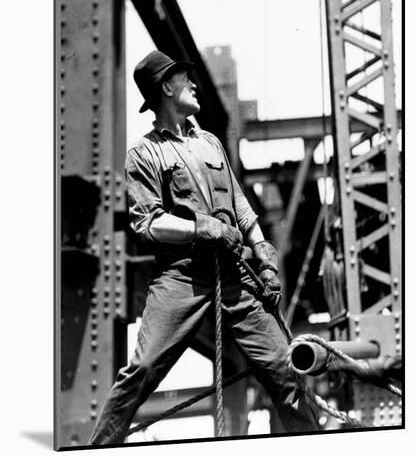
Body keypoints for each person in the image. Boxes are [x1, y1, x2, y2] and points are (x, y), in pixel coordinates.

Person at [88, 51, 319, 445]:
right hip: (181, 278)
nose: (194, 84)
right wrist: (203, 227)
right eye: (185, 78)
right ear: (166, 87)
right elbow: (148, 223)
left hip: (234, 274)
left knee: (286, 368)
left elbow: (240, 204)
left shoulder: (210, 142)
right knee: (142, 369)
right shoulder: (143, 155)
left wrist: (262, 250)